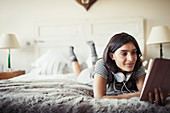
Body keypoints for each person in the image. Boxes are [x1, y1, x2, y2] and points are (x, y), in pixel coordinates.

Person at [69, 32, 168, 106]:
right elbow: (99, 97)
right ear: (112, 55)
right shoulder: (102, 64)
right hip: (90, 74)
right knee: (81, 74)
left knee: (95, 61)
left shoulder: (137, 62)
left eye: (133, 52)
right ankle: (73, 56)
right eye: (124, 53)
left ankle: (93, 50)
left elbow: (143, 92)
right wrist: (136, 94)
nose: (131, 59)